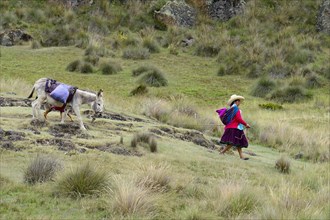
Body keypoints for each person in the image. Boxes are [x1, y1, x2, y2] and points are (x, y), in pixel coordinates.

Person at [219, 94, 251, 160]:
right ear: (236, 102)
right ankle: (222, 152)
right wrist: (246, 124)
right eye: (239, 101)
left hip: (233, 127)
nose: (239, 103)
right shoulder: (236, 108)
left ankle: (241, 156)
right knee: (232, 142)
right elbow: (238, 119)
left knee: (239, 143)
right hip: (235, 128)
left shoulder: (231, 109)